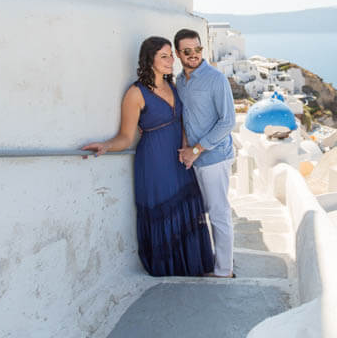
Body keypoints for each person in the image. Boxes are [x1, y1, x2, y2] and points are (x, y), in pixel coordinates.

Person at [81, 36, 213, 277]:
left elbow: (181, 121)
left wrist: (187, 149)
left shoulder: (173, 85)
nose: (170, 60)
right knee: (164, 214)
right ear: (149, 59)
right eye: (163, 56)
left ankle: (190, 265)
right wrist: (106, 146)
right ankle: (168, 269)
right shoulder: (136, 93)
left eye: (170, 55)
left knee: (186, 207)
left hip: (180, 160)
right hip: (154, 163)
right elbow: (125, 136)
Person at [174, 28, 236, 278]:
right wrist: (186, 149)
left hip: (214, 157)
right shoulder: (179, 81)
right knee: (204, 212)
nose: (193, 55)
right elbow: (186, 118)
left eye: (197, 49)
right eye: (187, 51)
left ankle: (224, 270)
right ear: (178, 53)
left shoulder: (216, 79)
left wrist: (197, 150)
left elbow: (227, 121)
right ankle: (211, 260)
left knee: (218, 213)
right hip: (193, 157)